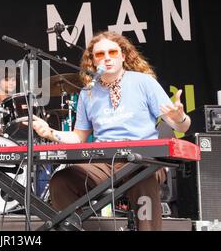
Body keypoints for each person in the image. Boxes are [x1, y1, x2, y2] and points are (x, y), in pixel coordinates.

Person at [29, 31, 191, 231]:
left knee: (142, 175)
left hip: (143, 160)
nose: (106, 57)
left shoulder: (143, 82)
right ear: (92, 61)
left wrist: (179, 118)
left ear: (123, 55)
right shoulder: (88, 93)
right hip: (103, 162)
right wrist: (50, 133)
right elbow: (79, 136)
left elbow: (181, 127)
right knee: (62, 180)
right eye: (99, 54)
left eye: (112, 52)